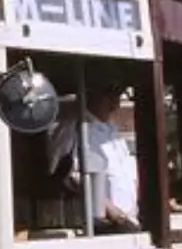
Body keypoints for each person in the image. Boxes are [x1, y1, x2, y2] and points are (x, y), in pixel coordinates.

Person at [47, 76, 140, 233]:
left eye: (118, 92)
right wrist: (111, 211)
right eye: (109, 92)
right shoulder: (74, 128)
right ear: (90, 94)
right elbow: (72, 176)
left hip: (128, 223)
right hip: (98, 225)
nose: (114, 99)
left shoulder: (114, 132)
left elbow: (130, 176)